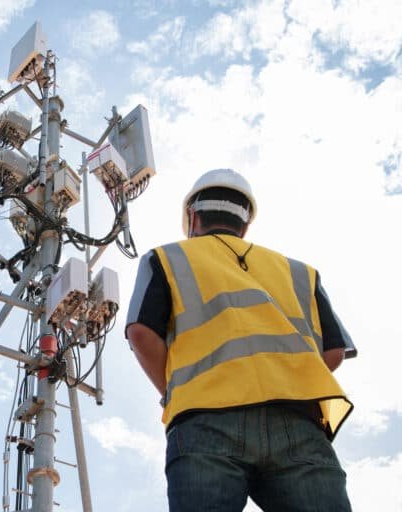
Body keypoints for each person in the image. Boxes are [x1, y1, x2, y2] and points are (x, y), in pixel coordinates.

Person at [125, 169, 357, 511]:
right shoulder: (300, 272)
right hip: (297, 421)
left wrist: (174, 393)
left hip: (205, 418)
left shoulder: (166, 258)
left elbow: (141, 332)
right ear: (245, 224)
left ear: (192, 216)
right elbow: (334, 351)